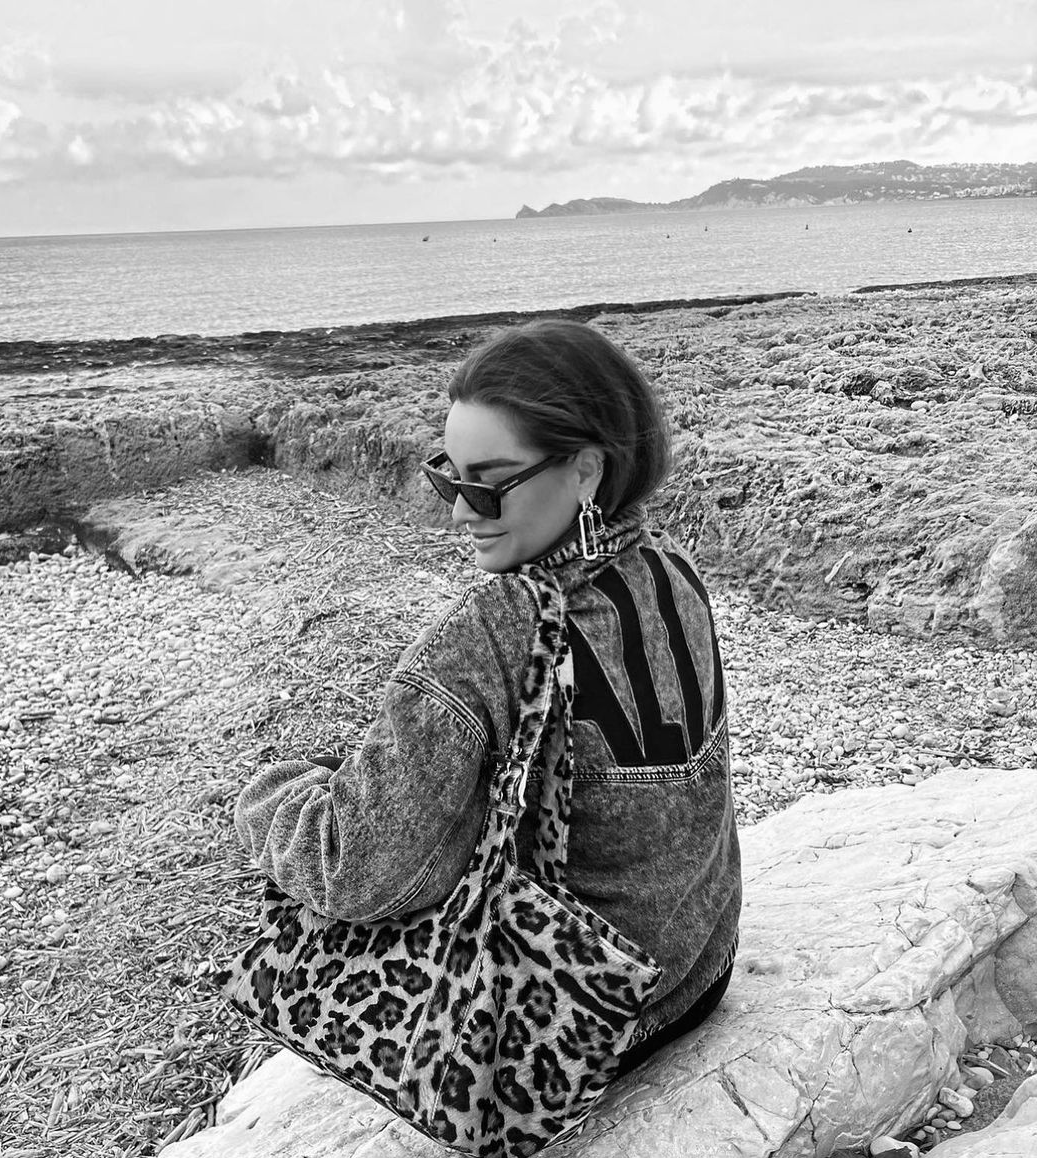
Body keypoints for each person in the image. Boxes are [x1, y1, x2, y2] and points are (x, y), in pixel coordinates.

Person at [233, 319, 741, 1083]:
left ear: (587, 470)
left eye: (488, 485)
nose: (460, 513)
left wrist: (266, 795)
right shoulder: (671, 567)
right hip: (701, 967)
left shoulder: (492, 633)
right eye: (450, 477)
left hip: (571, 1030)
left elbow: (354, 870)